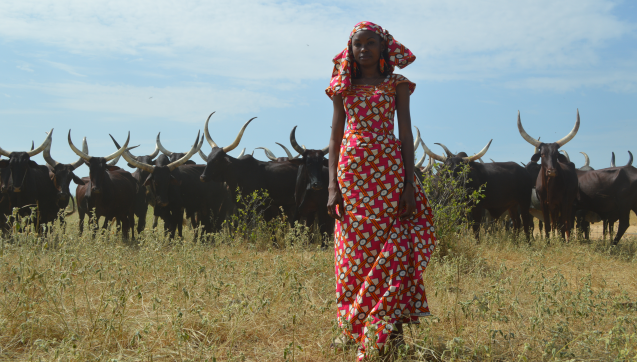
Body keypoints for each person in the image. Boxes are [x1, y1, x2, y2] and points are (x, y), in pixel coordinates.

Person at [326, 21, 437, 360]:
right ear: (351, 50)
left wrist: (408, 184)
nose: (364, 49)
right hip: (351, 175)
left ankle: (391, 330)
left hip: (389, 175)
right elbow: (334, 138)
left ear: (383, 48)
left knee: (393, 250)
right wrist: (332, 185)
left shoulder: (396, 85)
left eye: (371, 43)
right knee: (352, 255)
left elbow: (405, 135)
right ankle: (351, 329)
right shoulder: (342, 87)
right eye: (358, 44)